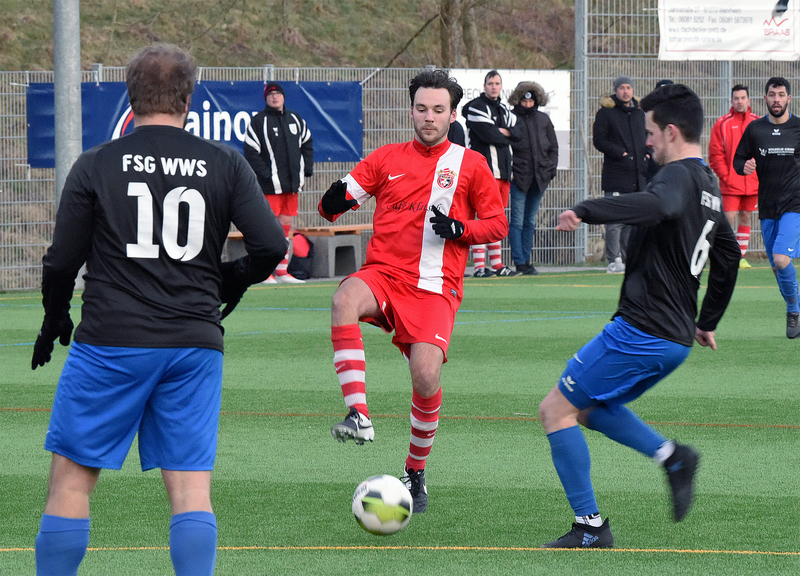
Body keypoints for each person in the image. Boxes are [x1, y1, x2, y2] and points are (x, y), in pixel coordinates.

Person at [30, 44, 287, 576]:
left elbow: (61, 262)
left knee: (71, 482)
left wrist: (55, 316)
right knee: (191, 489)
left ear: (131, 98)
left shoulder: (97, 163)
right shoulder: (225, 163)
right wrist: (231, 279)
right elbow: (270, 245)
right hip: (194, 344)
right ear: (188, 99)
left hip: (110, 341)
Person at [539, 83, 740, 548]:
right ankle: (672, 457)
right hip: (673, 339)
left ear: (671, 132)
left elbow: (658, 204)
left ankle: (590, 528)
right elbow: (728, 258)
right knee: (589, 408)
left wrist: (586, 210)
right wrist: (706, 321)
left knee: (555, 410)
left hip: (642, 330)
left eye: (650, 132)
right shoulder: (709, 185)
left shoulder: (677, 177)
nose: (646, 141)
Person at [319, 69, 507, 514]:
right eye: (422, 109)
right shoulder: (386, 158)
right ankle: (359, 415)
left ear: (452, 114)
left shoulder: (471, 164)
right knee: (344, 298)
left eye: (438, 110)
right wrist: (336, 197)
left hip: (436, 287)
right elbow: (332, 207)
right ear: (411, 112)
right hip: (384, 273)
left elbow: (498, 223)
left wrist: (461, 229)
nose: (429, 117)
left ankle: (415, 470)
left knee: (425, 378)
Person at [734, 77, 800, 339]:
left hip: (795, 204)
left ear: (789, 99)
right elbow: (738, 158)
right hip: (768, 206)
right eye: (772, 95)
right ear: (765, 99)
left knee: (782, 259)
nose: (776, 99)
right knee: (776, 267)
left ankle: (793, 310)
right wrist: (744, 167)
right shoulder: (755, 129)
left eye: (781, 95)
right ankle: (794, 304)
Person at [244, 81, 314, 283]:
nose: (275, 97)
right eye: (270, 94)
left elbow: (307, 143)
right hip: (270, 187)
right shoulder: (258, 121)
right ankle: (264, 272)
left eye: (278, 94)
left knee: (285, 227)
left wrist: (306, 168)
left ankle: (282, 271)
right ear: (266, 98)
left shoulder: (295, 119)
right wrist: (265, 174)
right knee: (267, 228)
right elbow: (250, 150)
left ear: (283, 97)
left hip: (291, 187)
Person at [462, 70, 522, 277]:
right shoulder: (476, 107)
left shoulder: (504, 109)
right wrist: (506, 134)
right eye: (490, 83)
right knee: (481, 218)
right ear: (484, 86)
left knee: (497, 218)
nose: (494, 87)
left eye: (497, 83)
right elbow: (489, 135)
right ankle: (480, 267)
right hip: (483, 172)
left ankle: (497, 265)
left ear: (501, 86)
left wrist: (504, 132)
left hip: (503, 172)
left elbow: (520, 132)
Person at [593, 75, 649, 273]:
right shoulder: (606, 113)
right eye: (622, 88)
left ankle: (629, 257)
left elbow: (649, 137)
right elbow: (599, 140)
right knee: (615, 221)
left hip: (638, 176)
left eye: (628, 87)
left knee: (632, 221)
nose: (626, 91)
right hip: (617, 174)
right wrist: (620, 153)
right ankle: (613, 259)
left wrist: (647, 155)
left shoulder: (640, 113)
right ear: (615, 90)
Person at [507, 81, 559, 275]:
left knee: (529, 221)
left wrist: (551, 169)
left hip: (540, 178)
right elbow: (505, 146)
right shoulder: (510, 118)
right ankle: (519, 262)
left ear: (537, 101)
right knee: (517, 221)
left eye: (531, 101)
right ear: (518, 100)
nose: (528, 104)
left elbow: (553, 147)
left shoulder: (544, 119)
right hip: (519, 177)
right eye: (524, 101)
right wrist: (510, 170)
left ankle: (526, 260)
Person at [709, 84, 760, 269]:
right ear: (731, 101)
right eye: (736, 98)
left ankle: (739, 257)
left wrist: (760, 175)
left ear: (749, 100)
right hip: (731, 183)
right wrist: (726, 176)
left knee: (746, 217)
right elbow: (715, 154)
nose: (740, 101)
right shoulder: (722, 124)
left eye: (743, 98)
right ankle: (720, 254)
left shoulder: (758, 123)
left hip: (752, 183)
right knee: (726, 219)